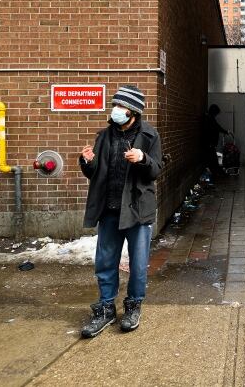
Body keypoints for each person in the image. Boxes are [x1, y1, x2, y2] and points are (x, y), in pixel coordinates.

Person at [78, 85, 164, 338]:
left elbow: (156, 170)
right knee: (105, 261)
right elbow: (94, 173)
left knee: (138, 264)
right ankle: (106, 308)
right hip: (109, 209)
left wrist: (143, 159)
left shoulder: (149, 136)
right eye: (115, 105)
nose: (116, 110)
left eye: (122, 106)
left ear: (133, 112)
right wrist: (87, 162)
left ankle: (133, 306)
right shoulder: (104, 136)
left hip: (137, 211)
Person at [202, 104, 229, 178]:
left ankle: (217, 173)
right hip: (210, 144)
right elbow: (217, 127)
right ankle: (217, 174)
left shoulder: (209, 118)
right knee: (213, 159)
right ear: (214, 112)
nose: (216, 115)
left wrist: (225, 131)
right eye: (216, 113)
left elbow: (217, 127)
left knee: (213, 159)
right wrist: (226, 132)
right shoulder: (210, 119)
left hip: (210, 144)